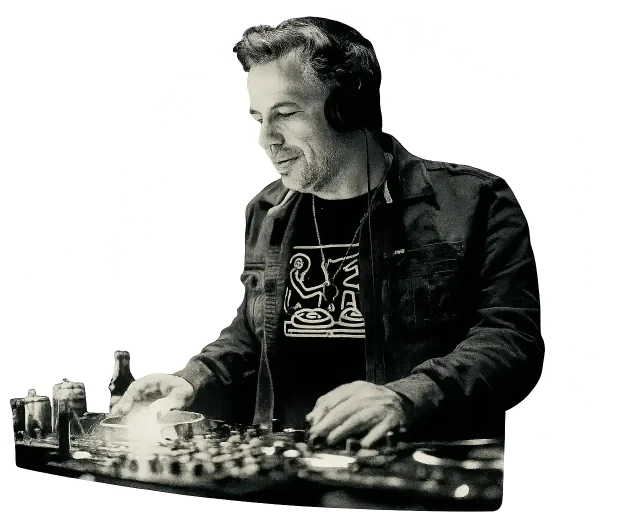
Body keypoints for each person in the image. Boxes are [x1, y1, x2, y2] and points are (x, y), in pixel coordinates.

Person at [111, 16, 544, 448]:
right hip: (289, 468)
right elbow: (251, 334)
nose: (266, 139)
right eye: (259, 118)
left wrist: (406, 398)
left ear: (348, 109)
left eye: (285, 114)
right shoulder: (266, 211)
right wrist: (194, 378)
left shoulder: (475, 202)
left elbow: (511, 341)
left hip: (418, 471)